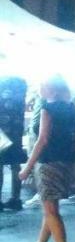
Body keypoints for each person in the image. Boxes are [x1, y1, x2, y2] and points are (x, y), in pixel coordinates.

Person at [18, 77, 75, 242]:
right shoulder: (70, 108)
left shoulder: (48, 108)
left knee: (51, 211)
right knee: (50, 209)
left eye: (41, 85)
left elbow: (42, 139)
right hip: (65, 161)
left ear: (51, 89)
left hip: (48, 162)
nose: (38, 88)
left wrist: (27, 166)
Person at [0, 77, 28, 211]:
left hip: (1, 133)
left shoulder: (2, 86)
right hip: (16, 132)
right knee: (15, 164)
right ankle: (16, 199)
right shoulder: (21, 89)